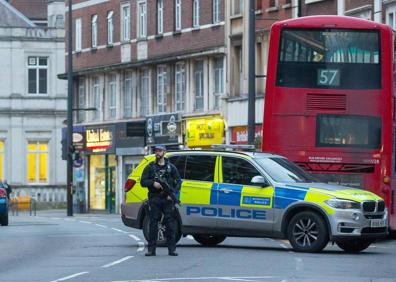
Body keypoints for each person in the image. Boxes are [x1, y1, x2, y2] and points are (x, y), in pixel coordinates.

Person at [141, 144, 182, 256]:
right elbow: (142, 182)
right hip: (155, 198)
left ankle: (172, 249)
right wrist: (152, 183)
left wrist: (172, 193)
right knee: (153, 223)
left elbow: (179, 181)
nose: (157, 153)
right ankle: (151, 250)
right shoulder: (150, 167)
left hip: (167, 199)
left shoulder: (171, 167)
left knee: (170, 224)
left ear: (164, 152)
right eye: (156, 151)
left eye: (159, 151)